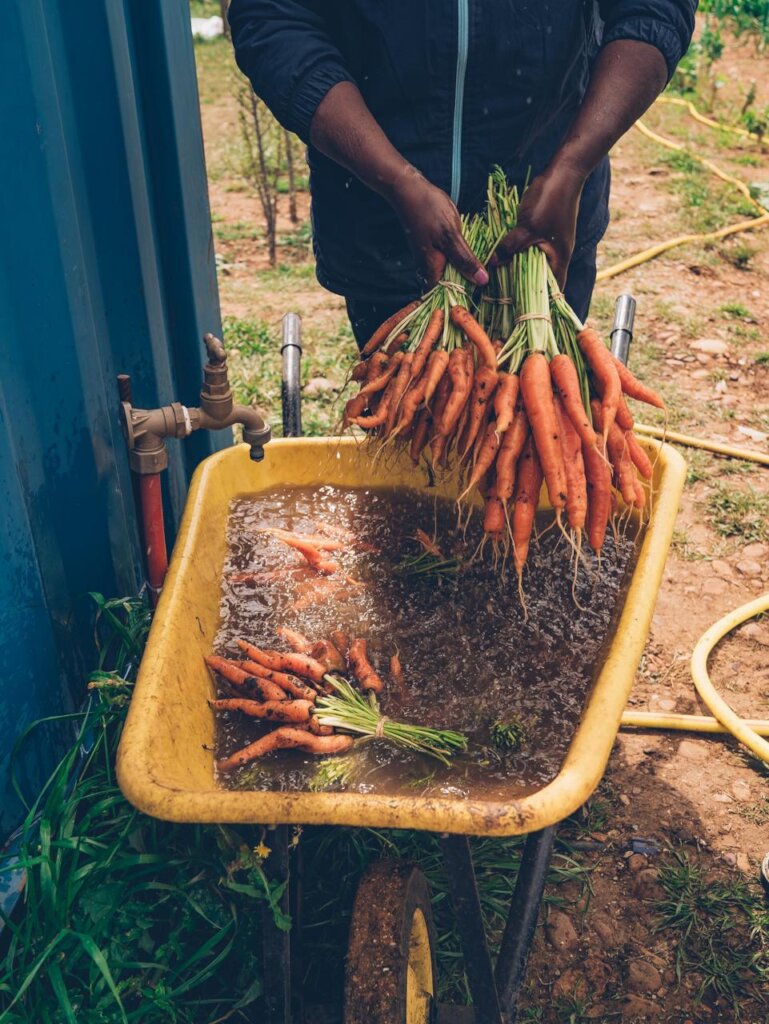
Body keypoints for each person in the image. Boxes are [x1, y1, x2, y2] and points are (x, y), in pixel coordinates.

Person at [228, 1, 696, 348]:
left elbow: (653, 9)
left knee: (541, 419)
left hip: (542, 221)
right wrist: (395, 178)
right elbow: (274, 18)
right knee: (405, 420)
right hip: (381, 214)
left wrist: (572, 166)